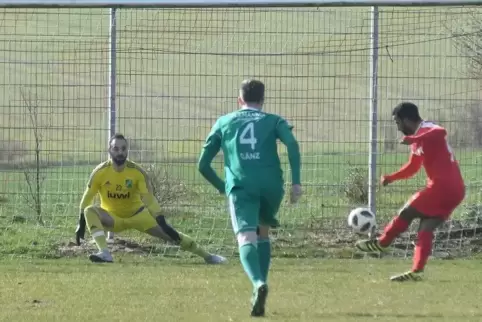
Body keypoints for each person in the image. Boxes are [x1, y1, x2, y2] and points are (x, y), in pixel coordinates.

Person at [198, 79, 302, 316]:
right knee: (262, 231)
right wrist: (296, 182)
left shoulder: (224, 122)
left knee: (246, 237)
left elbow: (202, 165)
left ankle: (257, 283)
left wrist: (223, 187)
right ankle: (260, 288)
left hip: (242, 186)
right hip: (272, 185)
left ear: (239, 100)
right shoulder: (274, 120)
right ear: (263, 100)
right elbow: (292, 145)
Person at [75, 133, 227, 265]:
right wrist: (80, 223)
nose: (120, 152)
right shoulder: (100, 172)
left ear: (127, 150)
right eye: (116, 148)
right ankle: (105, 253)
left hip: (139, 216)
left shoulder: (136, 172)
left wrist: (161, 220)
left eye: (123, 149)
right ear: (109, 150)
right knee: (89, 211)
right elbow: (87, 197)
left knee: (173, 236)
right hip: (113, 218)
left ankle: (208, 256)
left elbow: (148, 198)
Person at [355, 102, 465, 281]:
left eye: (398, 123)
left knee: (407, 210)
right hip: (454, 190)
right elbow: (412, 167)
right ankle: (417, 271)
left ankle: (383, 243)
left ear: (406, 120)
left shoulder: (428, 128)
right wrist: (392, 177)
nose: (398, 128)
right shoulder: (418, 139)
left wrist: (414, 139)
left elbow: (441, 132)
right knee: (426, 227)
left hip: (443, 187)